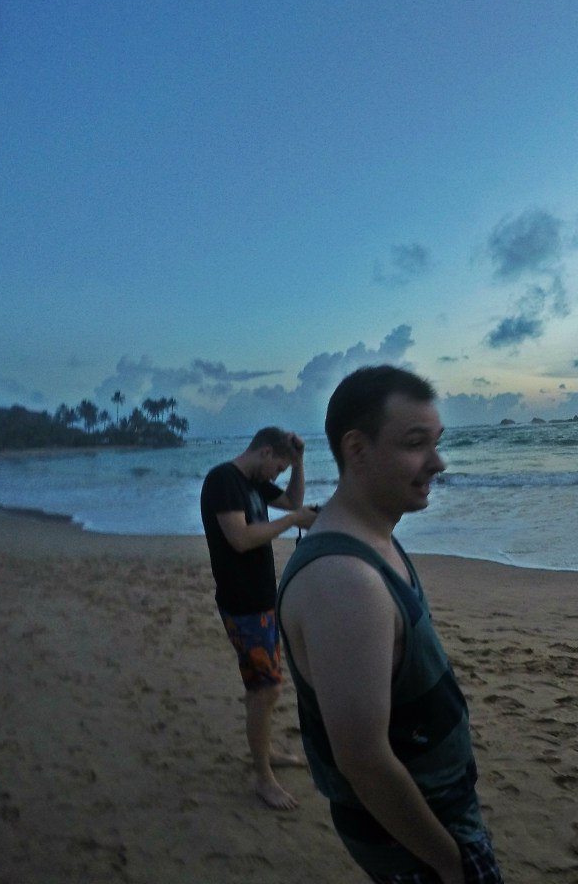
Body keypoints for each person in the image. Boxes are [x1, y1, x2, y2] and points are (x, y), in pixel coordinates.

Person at [275, 366, 502, 884]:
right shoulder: (344, 580)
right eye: (416, 444)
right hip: (417, 844)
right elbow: (363, 760)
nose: (437, 463)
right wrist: (448, 862)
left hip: (437, 814)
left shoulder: (375, 538)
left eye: (437, 442)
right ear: (357, 449)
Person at [200, 426, 319, 810]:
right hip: (243, 605)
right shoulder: (224, 480)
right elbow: (240, 538)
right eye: (279, 467)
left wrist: (298, 463)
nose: (277, 475)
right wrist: (294, 520)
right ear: (264, 452)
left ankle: (265, 753)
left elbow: (291, 500)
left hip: (262, 600)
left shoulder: (253, 482)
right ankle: (263, 778)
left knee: (267, 687)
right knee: (264, 690)